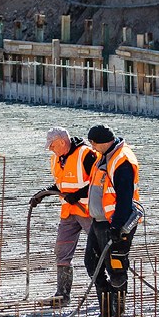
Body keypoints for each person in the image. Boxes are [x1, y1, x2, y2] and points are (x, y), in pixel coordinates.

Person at [29, 126, 96, 307]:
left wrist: (78, 194)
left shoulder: (86, 155)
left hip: (89, 212)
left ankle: (107, 292)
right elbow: (62, 184)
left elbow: (99, 182)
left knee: (99, 251)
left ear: (61, 142)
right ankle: (62, 295)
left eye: (52, 145)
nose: (50, 149)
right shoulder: (57, 159)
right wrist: (44, 193)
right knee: (62, 251)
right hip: (69, 212)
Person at [83, 124, 142, 317]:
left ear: (102, 142)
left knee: (116, 269)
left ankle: (117, 314)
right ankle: (106, 311)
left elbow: (125, 198)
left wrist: (116, 227)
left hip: (115, 224)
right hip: (99, 222)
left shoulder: (122, 160)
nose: (92, 147)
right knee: (92, 263)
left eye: (93, 143)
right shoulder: (104, 157)